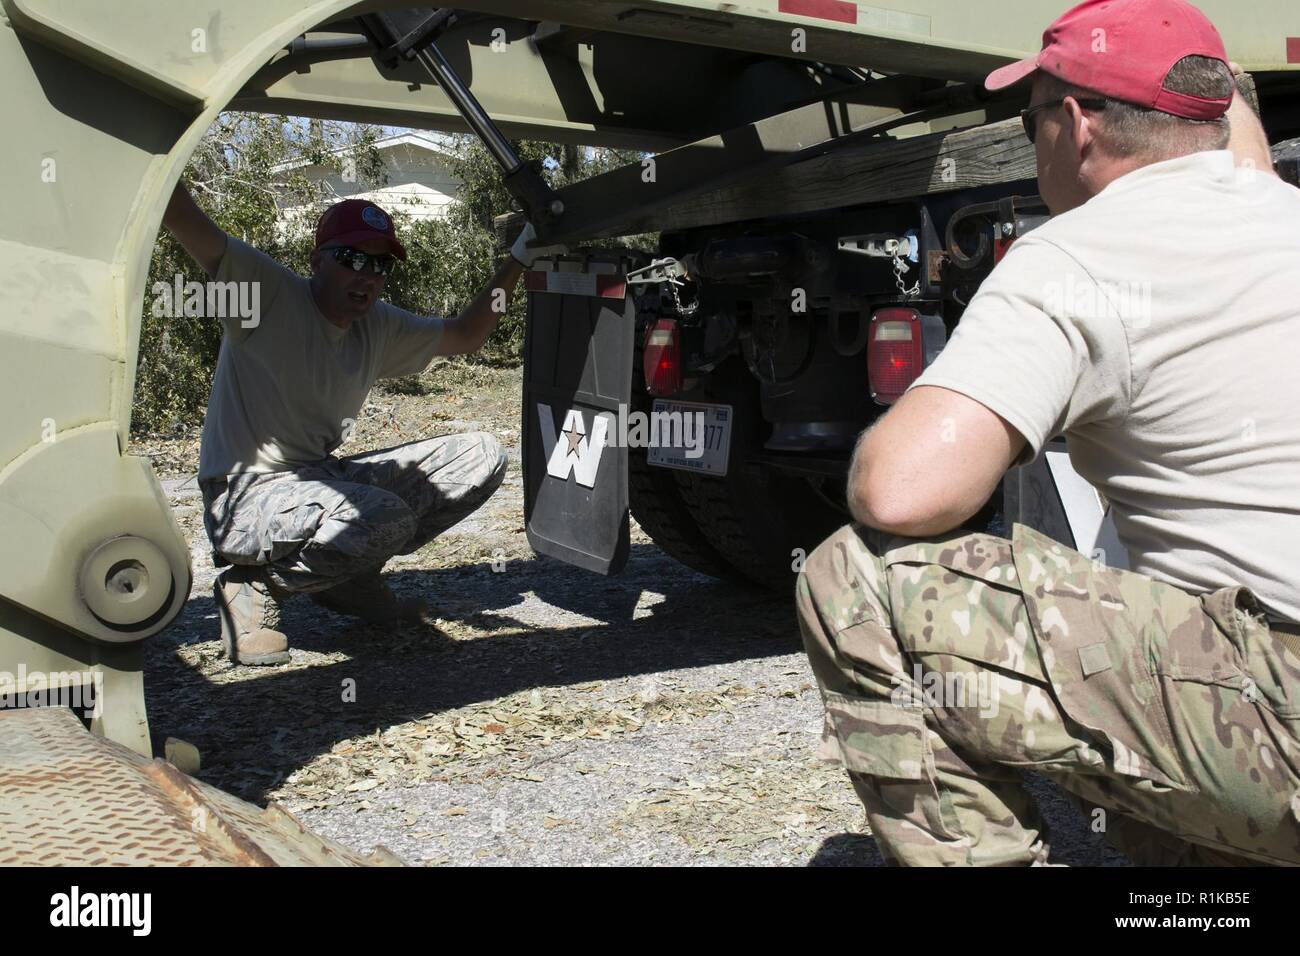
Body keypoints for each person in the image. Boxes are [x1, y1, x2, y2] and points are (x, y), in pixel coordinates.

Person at [796, 0, 1300, 865]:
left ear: (1073, 124)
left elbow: (901, 490)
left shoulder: (1077, 255)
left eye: (1031, 121)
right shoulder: (1281, 213)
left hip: (1281, 717)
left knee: (858, 578)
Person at [162, 186, 565, 665]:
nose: (366, 275)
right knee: (381, 515)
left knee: (481, 454)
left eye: (379, 265)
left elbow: (467, 334)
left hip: (318, 478)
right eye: (351, 258)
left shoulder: (377, 325)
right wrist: (149, 126)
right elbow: (182, 217)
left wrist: (519, 258)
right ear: (318, 261)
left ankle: (345, 577)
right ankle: (251, 586)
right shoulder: (266, 295)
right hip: (246, 493)